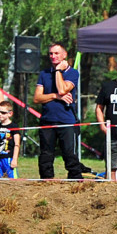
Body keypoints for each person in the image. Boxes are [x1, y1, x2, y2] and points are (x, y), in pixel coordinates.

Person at [33, 43, 82, 179]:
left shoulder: (73, 73)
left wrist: (58, 71)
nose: (53, 56)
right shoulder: (44, 74)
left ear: (64, 55)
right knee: (46, 154)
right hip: (47, 120)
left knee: (69, 154)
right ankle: (46, 180)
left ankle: (75, 180)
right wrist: (55, 96)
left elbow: (62, 89)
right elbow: (37, 98)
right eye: (51, 54)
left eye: (56, 53)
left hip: (67, 120)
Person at [0, 101, 20, 178]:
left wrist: (14, 159)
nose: (0, 114)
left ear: (10, 114)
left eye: (3, 112)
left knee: (13, 180)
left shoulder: (14, 126)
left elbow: (17, 144)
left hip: (8, 158)